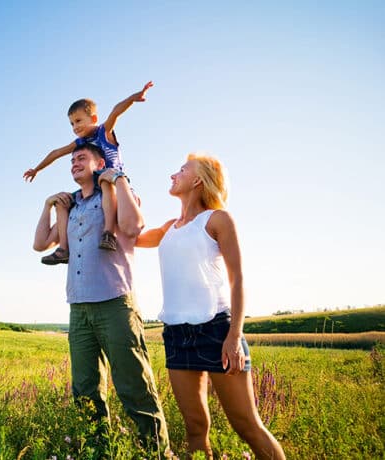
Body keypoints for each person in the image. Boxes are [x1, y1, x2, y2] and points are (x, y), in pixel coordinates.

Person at [136, 153, 286, 460]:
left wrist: (234, 336)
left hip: (217, 330)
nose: (172, 175)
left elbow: (238, 279)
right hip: (177, 334)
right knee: (194, 427)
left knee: (246, 425)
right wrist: (121, 194)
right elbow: (131, 237)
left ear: (197, 180)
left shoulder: (217, 219)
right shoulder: (169, 228)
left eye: (181, 170)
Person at [33, 143, 169, 456]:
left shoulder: (115, 193)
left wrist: (118, 178)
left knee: (134, 386)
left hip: (115, 303)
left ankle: (156, 453)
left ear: (99, 162)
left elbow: (134, 227)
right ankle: (97, 452)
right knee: (85, 391)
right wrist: (48, 205)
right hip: (78, 308)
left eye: (81, 158)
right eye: (71, 161)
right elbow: (40, 243)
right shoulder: (73, 206)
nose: (73, 164)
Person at [24, 81, 154, 265]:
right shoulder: (80, 142)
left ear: (93, 118)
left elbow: (115, 111)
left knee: (104, 181)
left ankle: (108, 232)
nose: (75, 127)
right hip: (92, 188)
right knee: (63, 202)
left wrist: (133, 98)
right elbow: (56, 152)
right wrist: (37, 169)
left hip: (112, 181)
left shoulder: (103, 132)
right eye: (71, 124)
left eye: (78, 121)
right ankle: (63, 249)